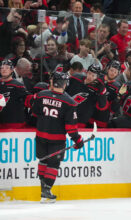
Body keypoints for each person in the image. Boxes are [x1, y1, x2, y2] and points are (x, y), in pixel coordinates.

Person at [32, 69, 84, 203]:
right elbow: (71, 127)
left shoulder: (41, 95)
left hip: (40, 136)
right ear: (64, 84)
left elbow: (35, 112)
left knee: (43, 160)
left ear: (52, 82)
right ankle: (47, 190)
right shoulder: (69, 102)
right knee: (53, 164)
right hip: (57, 139)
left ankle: (43, 188)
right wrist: (77, 140)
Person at [66, 63, 107, 128]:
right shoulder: (75, 78)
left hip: (81, 121)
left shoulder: (98, 89)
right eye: (89, 73)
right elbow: (64, 91)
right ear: (86, 72)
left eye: (93, 75)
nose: (90, 77)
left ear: (97, 77)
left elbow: (102, 107)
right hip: (67, 114)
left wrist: (102, 92)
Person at [0, 59, 32, 129]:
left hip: (14, 124)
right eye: (2, 68)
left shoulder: (18, 85)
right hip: (1, 123)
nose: (4, 70)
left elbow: (29, 99)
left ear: (12, 70)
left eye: (7, 68)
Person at [90, 60, 122, 128]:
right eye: (112, 70)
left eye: (115, 72)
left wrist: (119, 98)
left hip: (102, 120)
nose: (113, 73)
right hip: (89, 116)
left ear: (118, 74)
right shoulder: (98, 78)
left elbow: (114, 109)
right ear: (108, 69)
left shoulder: (117, 87)